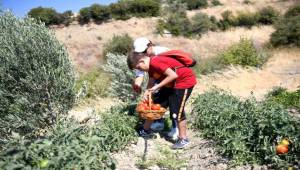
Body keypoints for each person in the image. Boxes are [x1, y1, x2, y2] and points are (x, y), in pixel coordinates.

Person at [127, 52, 197, 149]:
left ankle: (183, 139)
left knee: (177, 111)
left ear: (142, 61)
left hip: (183, 82)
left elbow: (173, 75)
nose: (139, 70)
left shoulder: (155, 62)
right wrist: (147, 92)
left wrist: (157, 87)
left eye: (138, 67)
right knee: (156, 104)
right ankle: (145, 130)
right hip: (171, 84)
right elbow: (151, 80)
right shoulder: (150, 66)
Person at [132, 37, 179, 140]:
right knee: (156, 100)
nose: (143, 53)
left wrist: (151, 88)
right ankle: (158, 121)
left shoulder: (163, 51)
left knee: (174, 103)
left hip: (173, 78)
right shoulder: (141, 57)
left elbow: (174, 69)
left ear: (150, 45)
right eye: (141, 52)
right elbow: (140, 75)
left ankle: (176, 128)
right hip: (158, 78)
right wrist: (137, 85)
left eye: (144, 50)